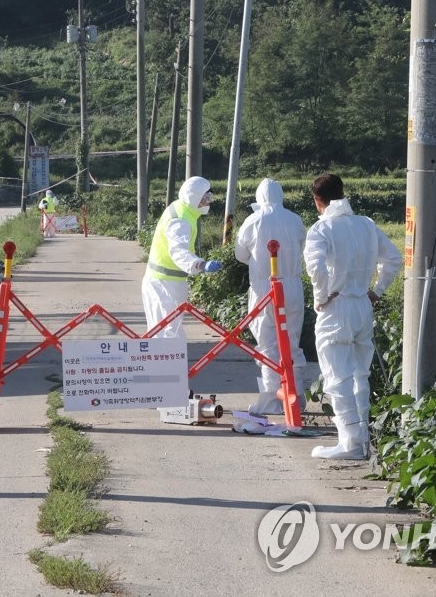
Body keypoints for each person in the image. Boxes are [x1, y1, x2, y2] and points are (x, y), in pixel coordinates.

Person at [303, 173, 401, 459]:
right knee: (360, 373)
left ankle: (350, 443)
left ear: (317, 201)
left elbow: (316, 268)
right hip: (362, 305)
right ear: (342, 193)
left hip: (337, 306)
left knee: (337, 377)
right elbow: (393, 259)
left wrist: (321, 297)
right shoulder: (366, 225)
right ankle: (362, 440)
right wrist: (377, 291)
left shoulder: (321, 230)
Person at [234, 178, 307, 415]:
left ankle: (270, 401)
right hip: (292, 286)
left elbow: (240, 254)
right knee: (291, 342)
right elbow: (303, 247)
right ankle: (296, 399)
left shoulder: (253, 220)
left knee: (267, 344)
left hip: (265, 287)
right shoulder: (294, 219)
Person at [142, 176, 223, 339]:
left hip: (168, 282)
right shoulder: (181, 220)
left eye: (210, 197)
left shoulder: (183, 209)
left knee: (165, 333)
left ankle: (168, 365)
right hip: (163, 285)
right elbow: (178, 251)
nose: (209, 202)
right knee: (168, 335)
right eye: (206, 198)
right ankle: (170, 365)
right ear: (195, 198)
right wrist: (200, 265)